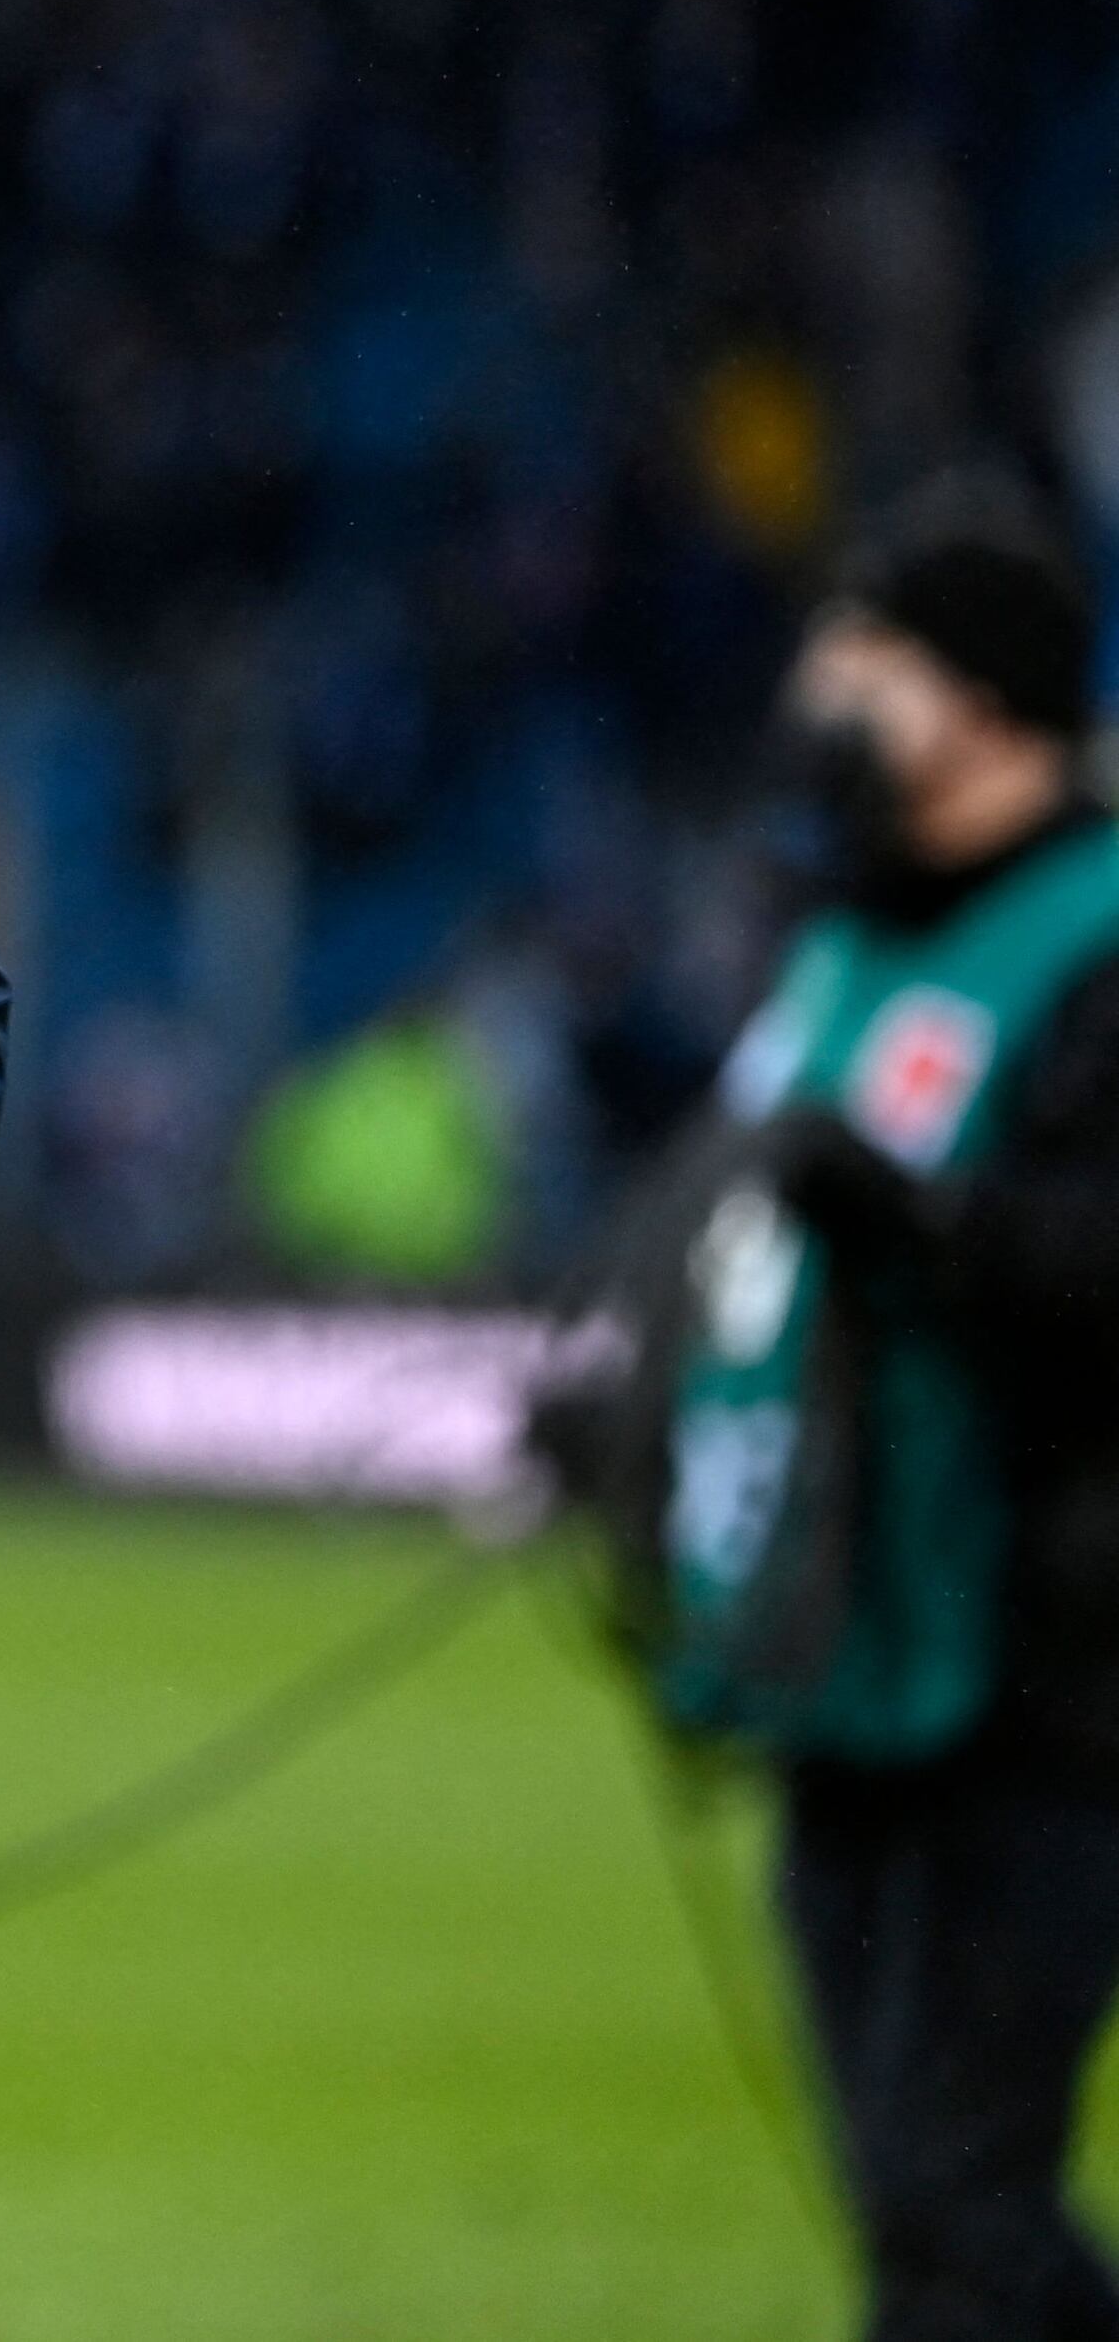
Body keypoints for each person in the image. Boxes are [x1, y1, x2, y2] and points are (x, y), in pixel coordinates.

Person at [715, 477, 1119, 2342]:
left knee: (961, 2210)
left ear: (981, 693)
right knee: (916, 2210)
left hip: (1045, 1670)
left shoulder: (1099, 937)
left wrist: (918, 1214)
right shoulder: (846, 935)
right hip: (849, 1650)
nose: (823, 685)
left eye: (865, 647)